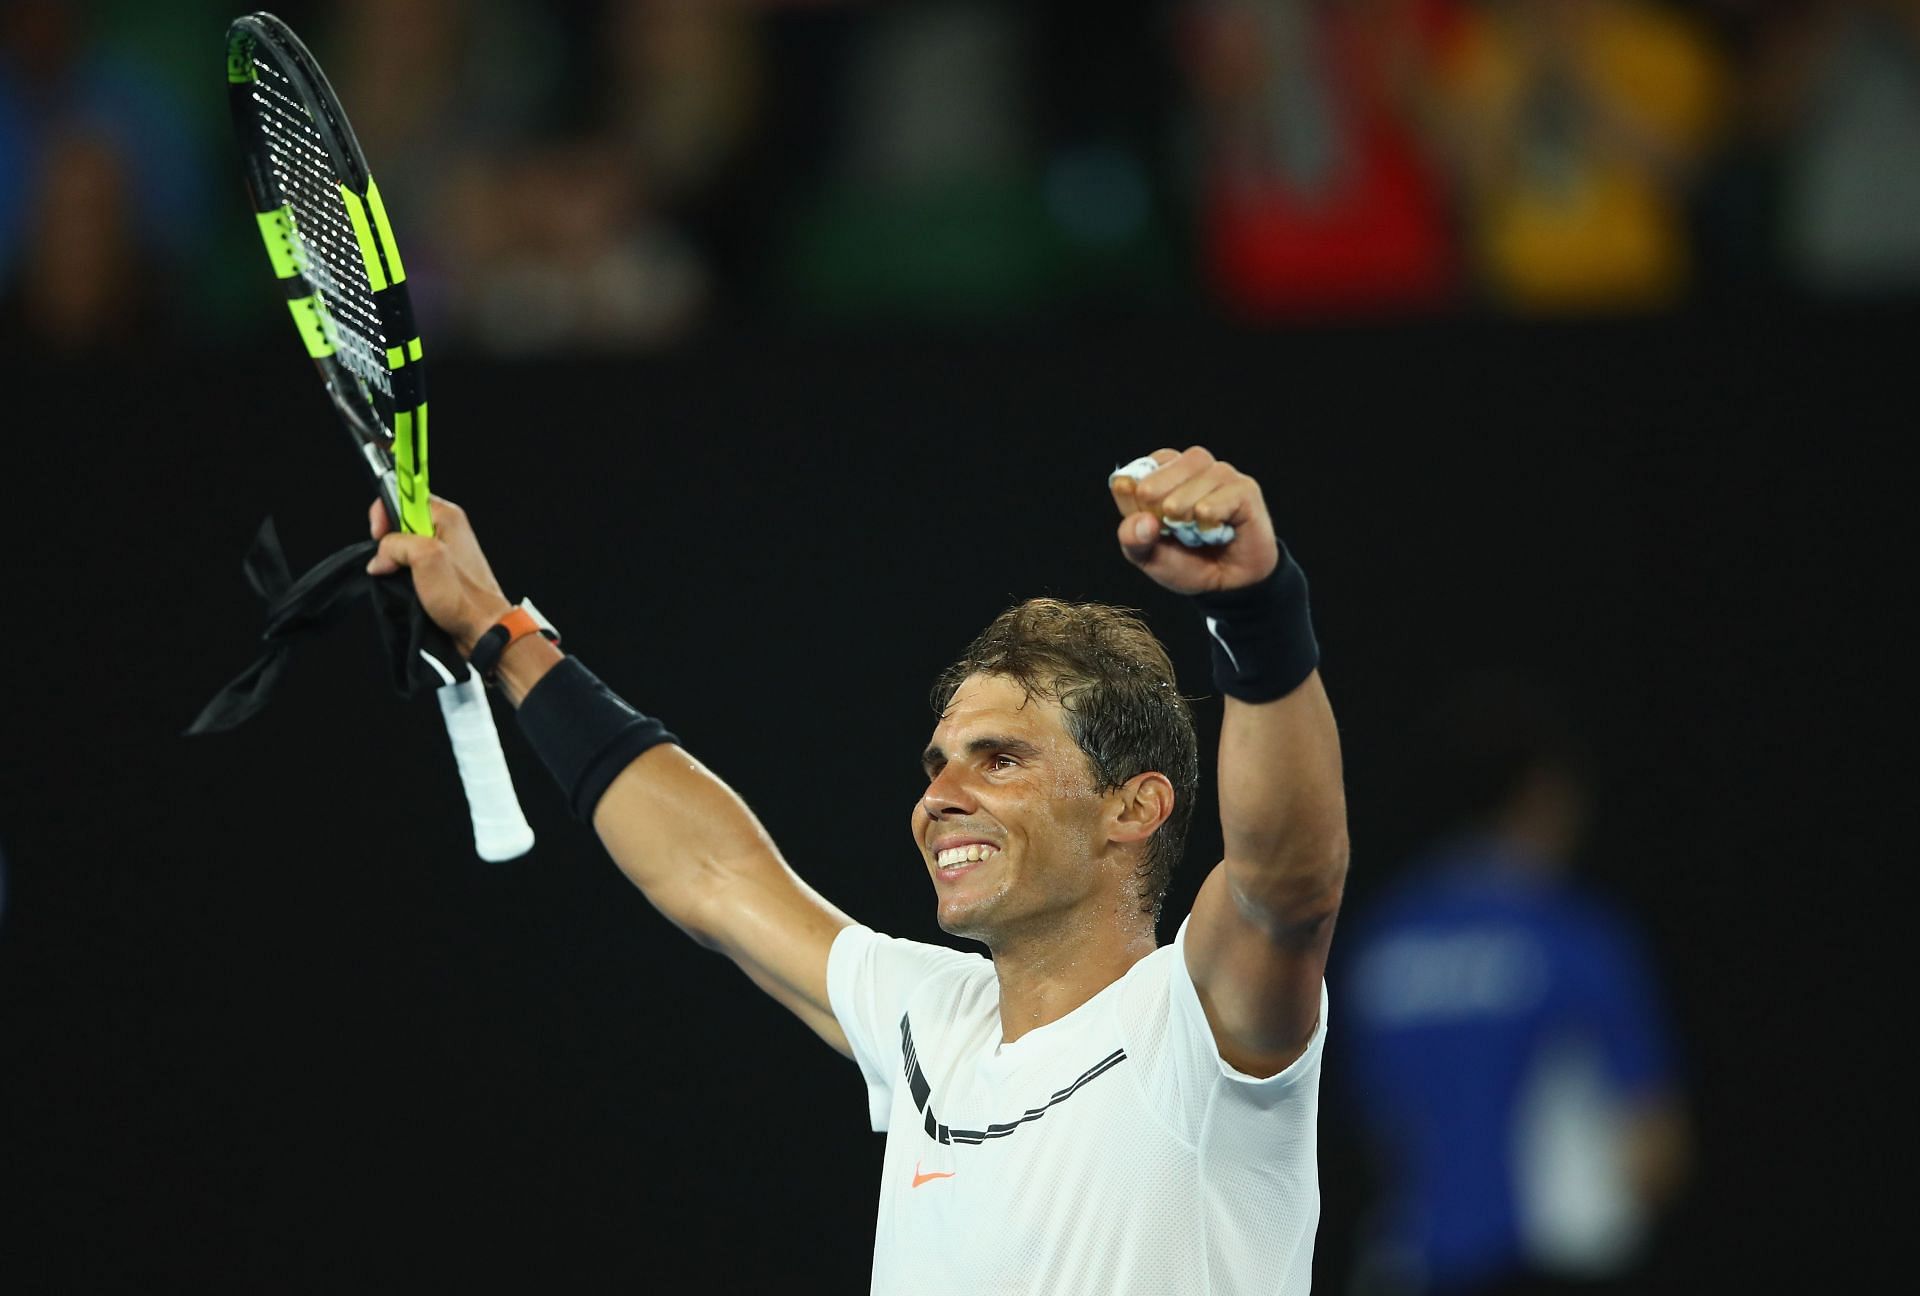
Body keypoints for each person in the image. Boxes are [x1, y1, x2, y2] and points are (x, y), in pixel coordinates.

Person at [366, 445, 1348, 1293]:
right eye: (937, 765)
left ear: (1132, 807)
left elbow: (1286, 883)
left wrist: (1259, 616)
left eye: (1000, 759)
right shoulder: (930, 1023)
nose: (940, 796)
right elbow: (712, 872)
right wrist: (501, 631)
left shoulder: (1196, 1027)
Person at [1337, 674, 1690, 1295]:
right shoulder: (1572, 939)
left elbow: (1366, 1123)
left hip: (1406, 1265)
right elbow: (1653, 1149)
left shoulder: (1380, 940)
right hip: (1537, 1269)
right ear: (1546, 796)